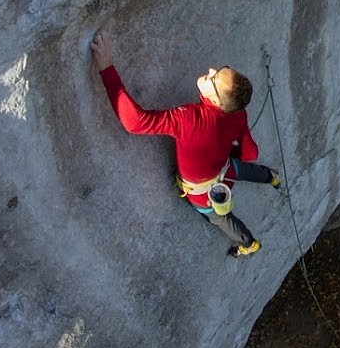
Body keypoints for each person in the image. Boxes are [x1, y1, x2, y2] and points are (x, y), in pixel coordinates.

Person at [90, 29, 279, 257]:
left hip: (203, 193)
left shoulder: (189, 118)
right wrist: (225, 148)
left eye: (214, 78)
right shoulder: (238, 114)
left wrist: (106, 67)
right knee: (239, 167)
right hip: (225, 169)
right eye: (218, 70)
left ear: (216, 100)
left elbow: (135, 122)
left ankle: (249, 244)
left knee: (219, 218)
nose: (210, 71)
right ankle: (271, 176)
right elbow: (250, 153)